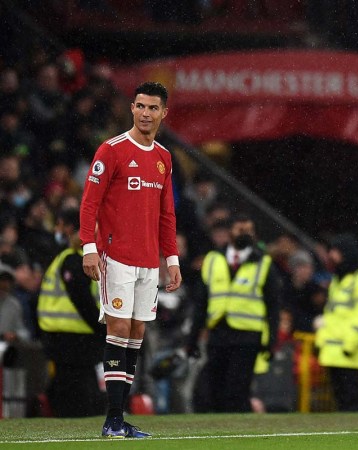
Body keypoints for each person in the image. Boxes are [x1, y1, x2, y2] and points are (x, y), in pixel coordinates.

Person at [79, 81, 182, 439]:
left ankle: (119, 417)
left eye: (153, 108)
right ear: (132, 109)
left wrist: (172, 258)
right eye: (140, 106)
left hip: (149, 262)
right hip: (116, 256)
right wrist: (88, 247)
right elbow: (89, 202)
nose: (145, 113)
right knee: (118, 330)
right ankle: (112, 419)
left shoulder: (164, 158)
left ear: (163, 113)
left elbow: (167, 214)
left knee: (137, 333)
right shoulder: (112, 150)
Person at [186, 213, 281, 413]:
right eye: (240, 229)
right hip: (218, 332)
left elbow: (273, 306)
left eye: (249, 230)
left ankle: (239, 433)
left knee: (237, 389)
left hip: (247, 336)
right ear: (230, 232)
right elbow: (201, 303)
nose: (244, 234)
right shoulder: (213, 260)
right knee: (215, 388)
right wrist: (193, 339)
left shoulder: (263, 263)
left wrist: (271, 340)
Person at [37, 207, 106, 417]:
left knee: (75, 389)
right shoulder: (74, 261)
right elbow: (82, 301)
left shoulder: (65, 258)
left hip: (66, 340)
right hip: (72, 339)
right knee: (80, 397)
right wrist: (103, 328)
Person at [315, 233, 358, 411]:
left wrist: (350, 345)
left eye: (336, 253)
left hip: (352, 352)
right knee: (343, 402)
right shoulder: (341, 279)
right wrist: (321, 341)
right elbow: (332, 314)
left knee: (354, 401)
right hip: (335, 352)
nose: (332, 258)